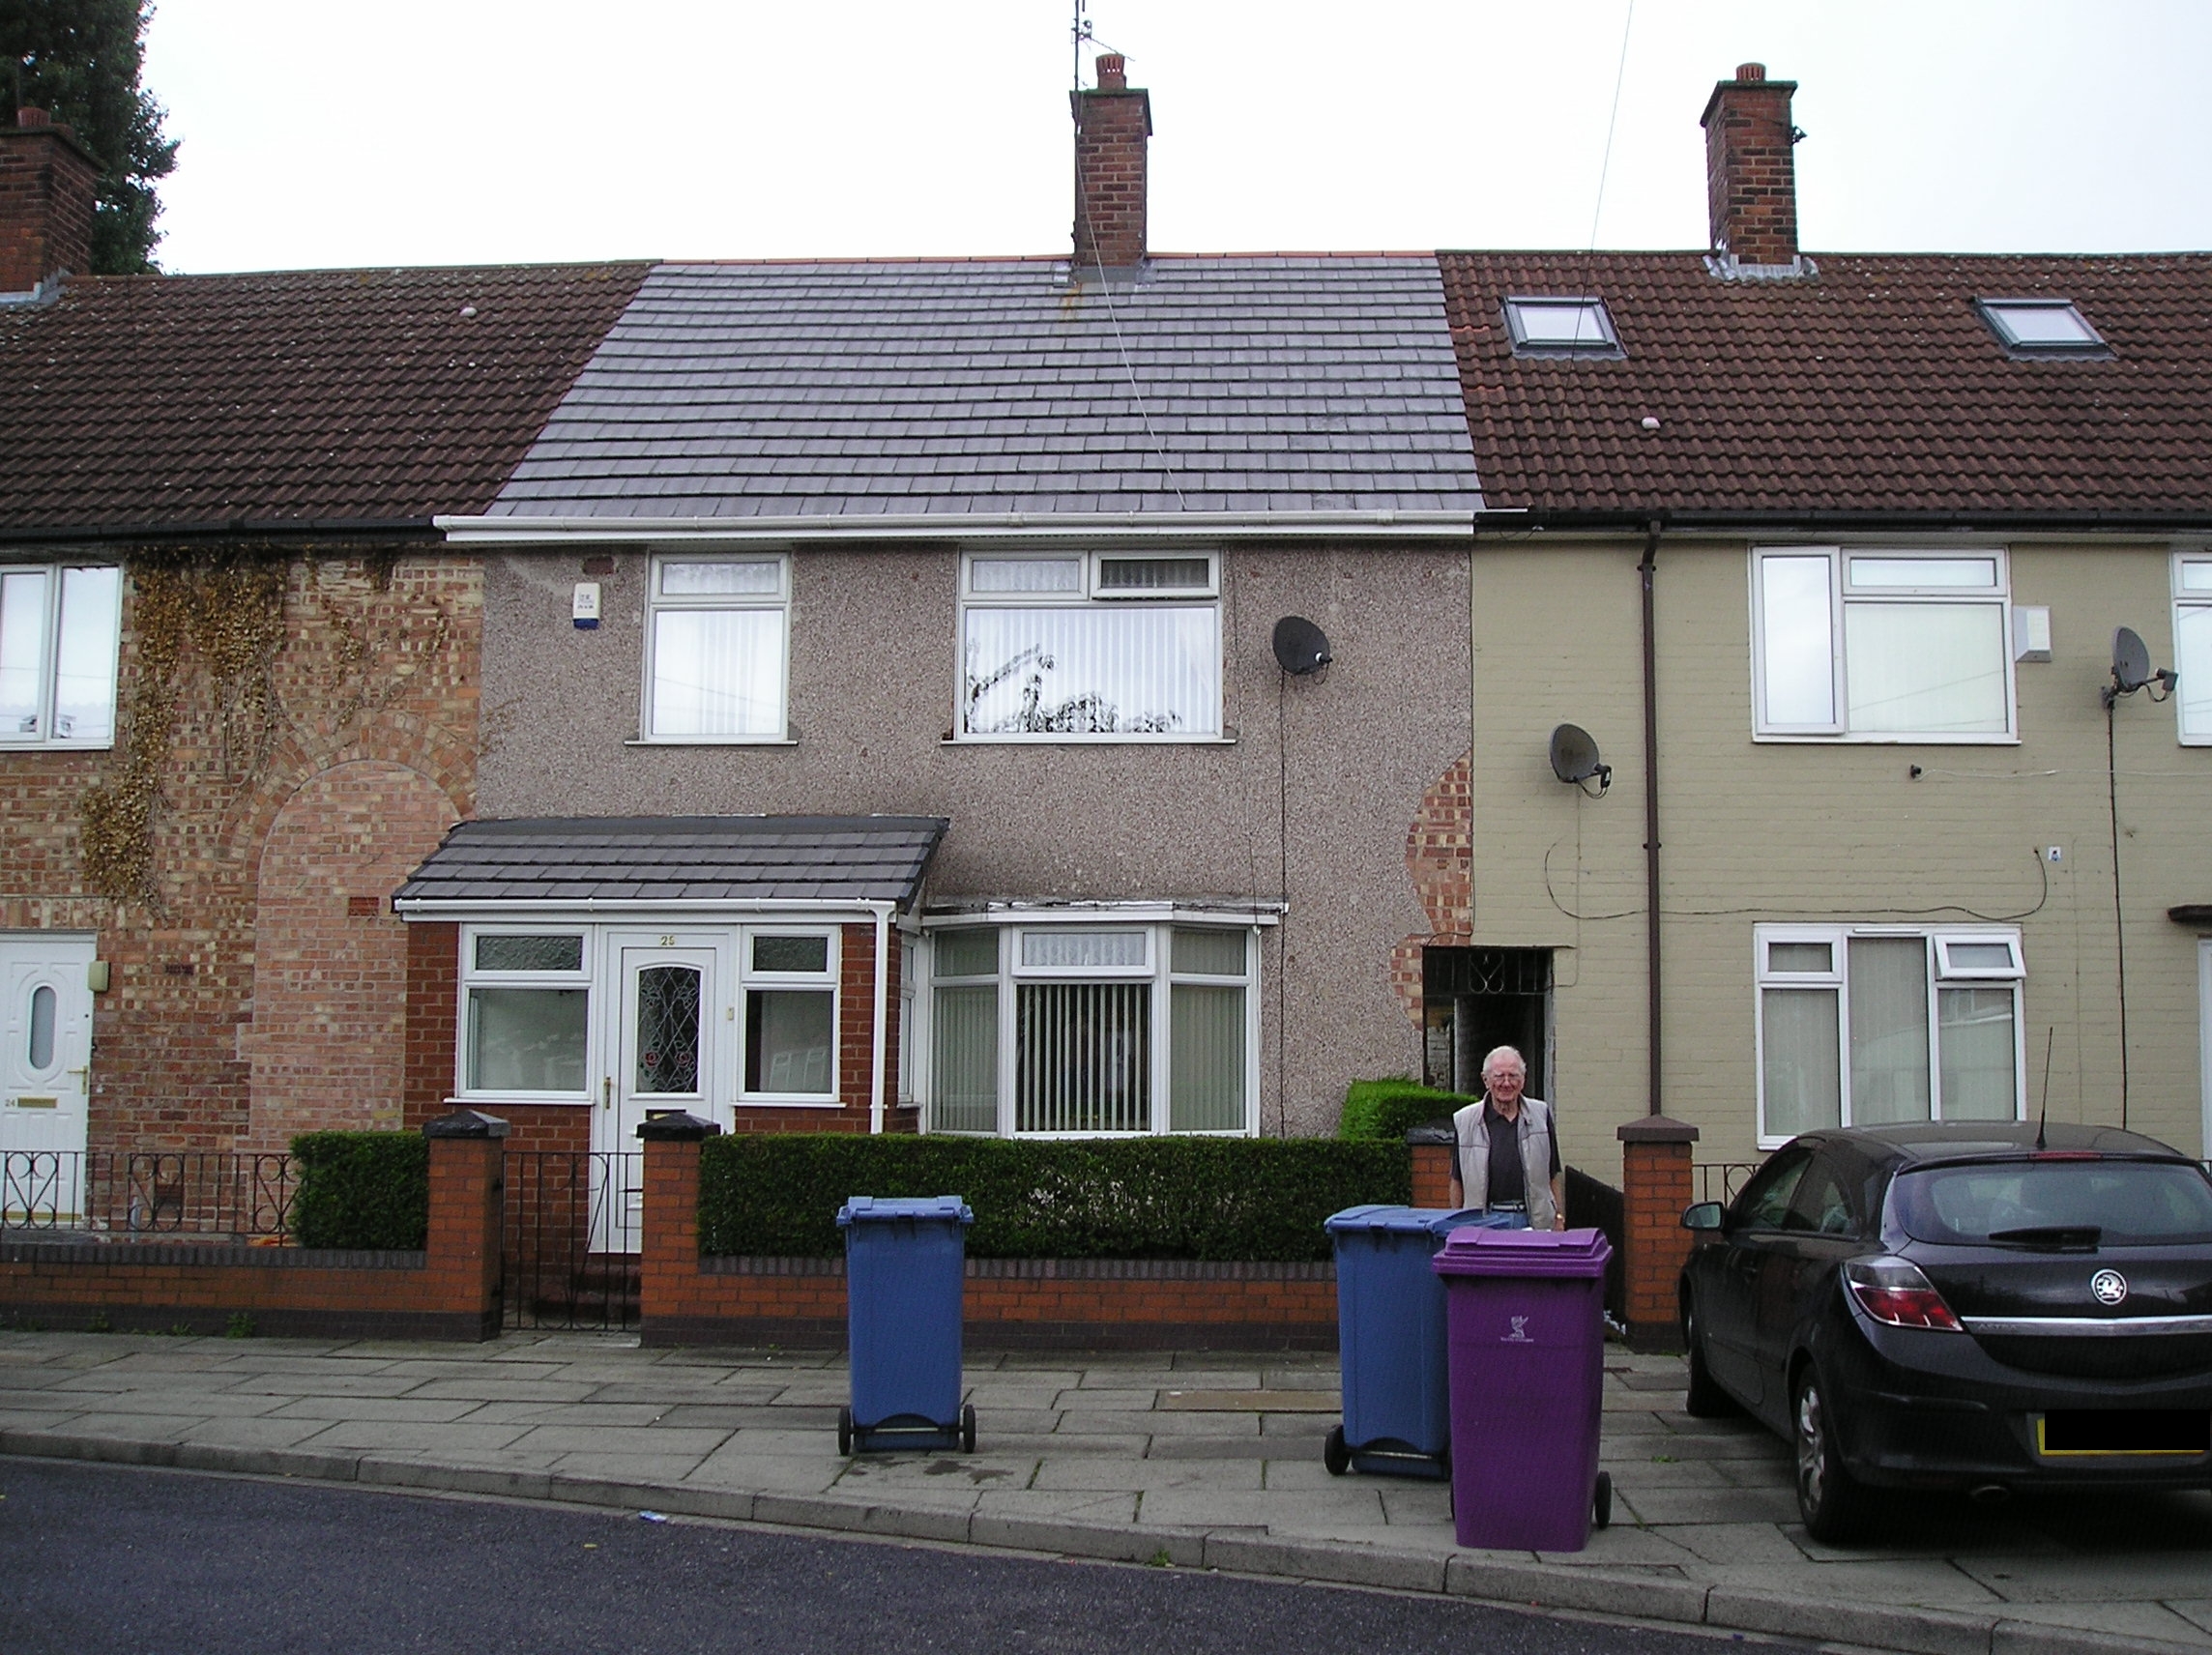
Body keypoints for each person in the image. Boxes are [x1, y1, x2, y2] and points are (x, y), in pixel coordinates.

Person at [1446, 1046, 1565, 1230]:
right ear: (1486, 1080)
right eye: (1499, 1076)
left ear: (1523, 1080)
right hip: (1484, 1222)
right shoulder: (1465, 1121)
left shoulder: (1541, 1115)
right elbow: (1457, 1179)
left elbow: (1553, 1174)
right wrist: (1456, 1225)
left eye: (1513, 1076)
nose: (1507, 1083)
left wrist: (1559, 1217)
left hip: (1533, 1221)